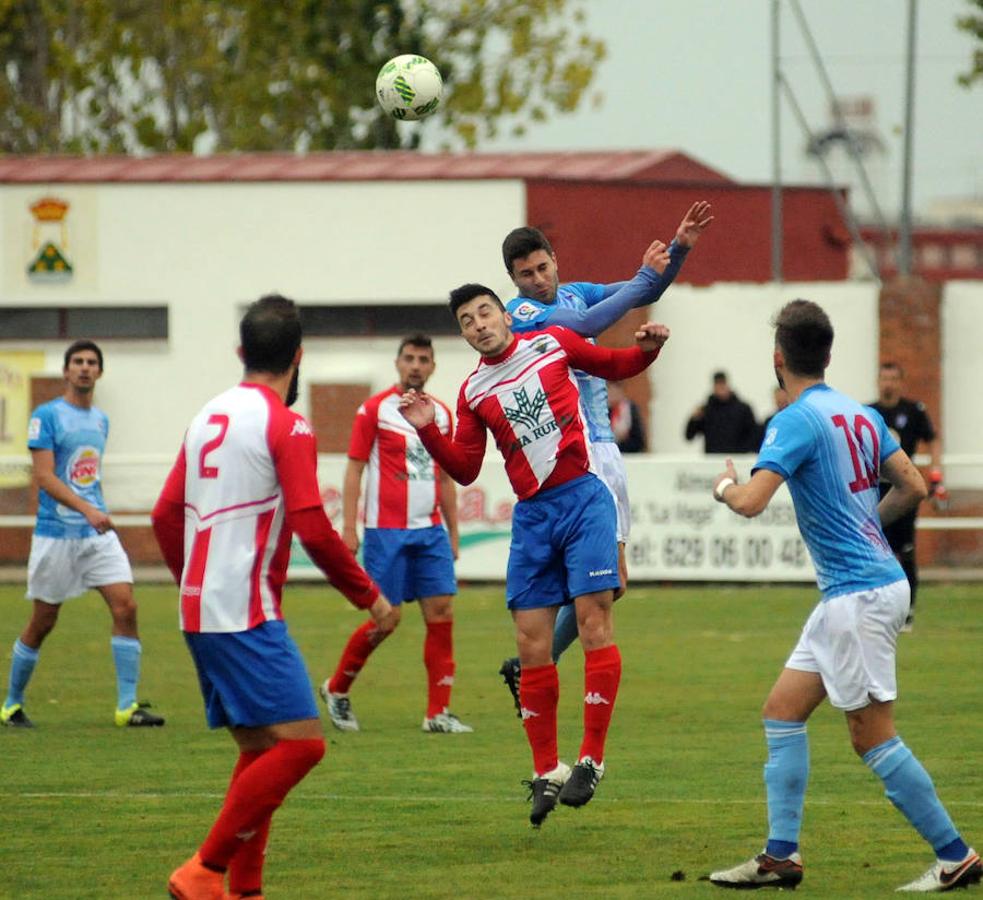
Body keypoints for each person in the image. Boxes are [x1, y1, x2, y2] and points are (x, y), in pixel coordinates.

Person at [707, 299, 979, 893]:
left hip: (858, 597)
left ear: (779, 360)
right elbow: (912, 485)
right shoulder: (859, 413)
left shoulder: (795, 419)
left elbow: (752, 502)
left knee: (872, 735)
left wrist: (726, 486)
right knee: (782, 711)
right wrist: (871, 530)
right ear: (827, 355)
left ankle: (956, 855)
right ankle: (781, 856)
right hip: (858, 591)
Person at [152, 294, 397, 900]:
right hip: (244, 608)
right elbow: (313, 524)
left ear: (241, 352)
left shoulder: (206, 414)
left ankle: (246, 890)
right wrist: (370, 597)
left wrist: (194, 581)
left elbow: (164, 514)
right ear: (299, 356)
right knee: (305, 745)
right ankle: (204, 868)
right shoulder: (287, 423)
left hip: (200, 606)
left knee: (261, 749)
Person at [399, 283, 670, 828]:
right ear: (464, 334)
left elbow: (615, 362)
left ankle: (591, 759)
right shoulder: (473, 390)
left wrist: (649, 347)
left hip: (584, 500)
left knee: (594, 622)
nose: (478, 324)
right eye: (467, 320)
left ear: (504, 315)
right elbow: (467, 468)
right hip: (533, 516)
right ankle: (547, 769)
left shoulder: (553, 342)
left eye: (484, 312)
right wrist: (430, 431)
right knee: (530, 642)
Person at [497, 201, 713, 714]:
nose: (537, 280)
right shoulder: (523, 313)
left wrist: (677, 248)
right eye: (525, 274)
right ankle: (537, 666)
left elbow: (645, 291)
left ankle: (531, 664)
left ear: (554, 260)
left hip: (606, 452)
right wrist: (643, 276)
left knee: (614, 583)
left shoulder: (575, 292)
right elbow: (591, 320)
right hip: (576, 454)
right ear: (513, 279)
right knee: (601, 584)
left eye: (542, 267)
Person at [1, 340, 164, 729]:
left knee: (126, 607)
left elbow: (86, 475)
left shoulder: (101, 421)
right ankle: (11, 704)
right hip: (57, 534)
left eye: (92, 363)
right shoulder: (47, 416)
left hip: (96, 535)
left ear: (100, 373)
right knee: (43, 620)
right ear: (66, 371)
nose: (85, 368)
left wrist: (95, 511)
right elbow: (43, 476)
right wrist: (88, 509)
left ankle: (127, 707)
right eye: (78, 362)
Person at [320, 334, 471, 734]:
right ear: (397, 364)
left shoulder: (441, 414)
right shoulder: (374, 410)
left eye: (424, 359)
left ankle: (437, 713)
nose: (416, 365)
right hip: (386, 532)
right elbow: (354, 468)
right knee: (385, 620)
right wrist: (349, 526)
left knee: (442, 614)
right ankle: (337, 689)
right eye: (409, 358)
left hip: (430, 531)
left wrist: (453, 532)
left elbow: (444, 476)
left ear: (434, 367)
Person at [870, 362, 944, 632]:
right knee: (876, 549)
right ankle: (878, 608)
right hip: (875, 490)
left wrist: (936, 475)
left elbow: (933, 439)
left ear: (900, 382)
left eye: (893, 378)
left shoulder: (913, 412)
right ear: (877, 381)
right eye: (884, 378)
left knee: (906, 550)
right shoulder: (868, 413)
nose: (888, 383)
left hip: (904, 489)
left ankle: (908, 610)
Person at [685, 370, 760, 453]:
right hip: (712, 459)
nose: (720, 387)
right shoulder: (707, 410)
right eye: (717, 384)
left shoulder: (743, 409)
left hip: (737, 459)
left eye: (722, 383)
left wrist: (743, 451)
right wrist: (694, 419)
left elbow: (754, 434)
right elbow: (689, 436)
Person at [606, 381, 647, 453]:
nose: (612, 394)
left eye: (615, 390)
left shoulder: (630, 409)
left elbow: (639, 439)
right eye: (609, 390)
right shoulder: (605, 411)